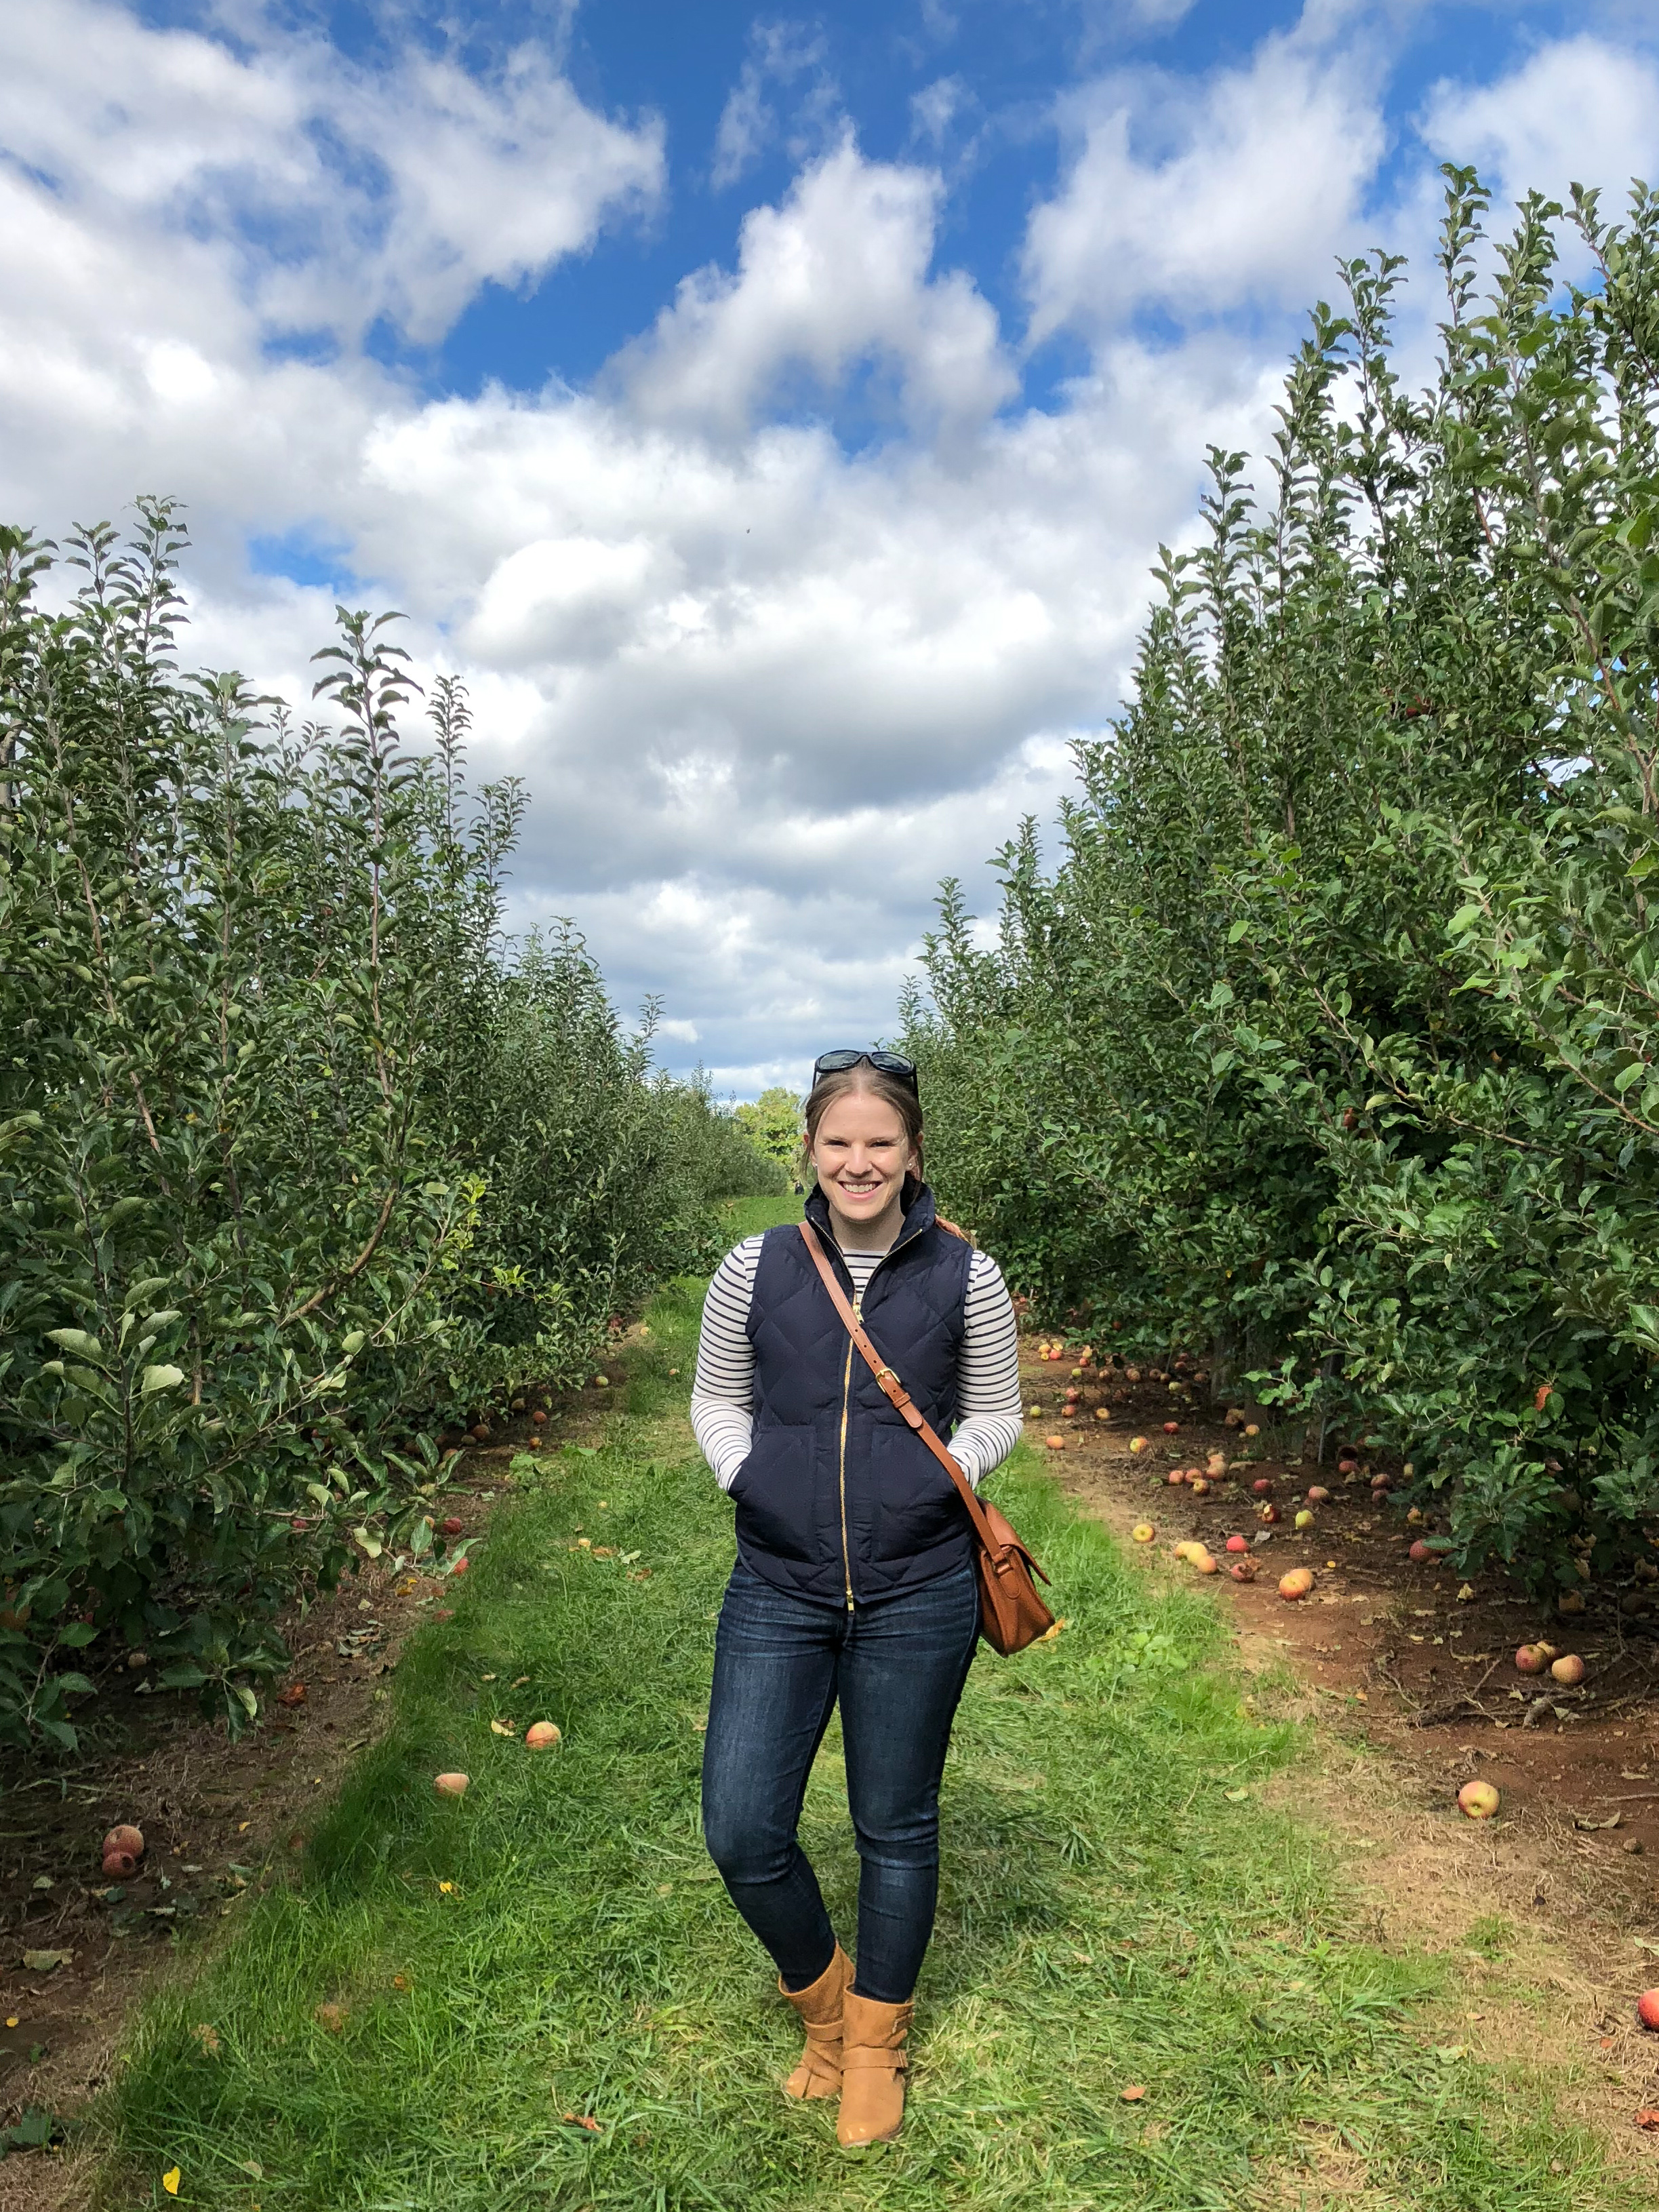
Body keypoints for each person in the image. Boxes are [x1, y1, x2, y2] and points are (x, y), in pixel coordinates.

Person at [691, 1048, 1023, 2145]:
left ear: (914, 1152)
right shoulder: (757, 1266)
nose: (860, 1161)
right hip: (779, 1581)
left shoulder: (968, 1275)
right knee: (743, 1826)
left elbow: (996, 1411)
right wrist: (754, 1477)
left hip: (918, 1586)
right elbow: (716, 1400)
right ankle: (822, 2004)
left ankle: (873, 2042)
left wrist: (941, 1477)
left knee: (895, 1820)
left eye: (881, 1142)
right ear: (811, 1150)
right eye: (839, 1141)